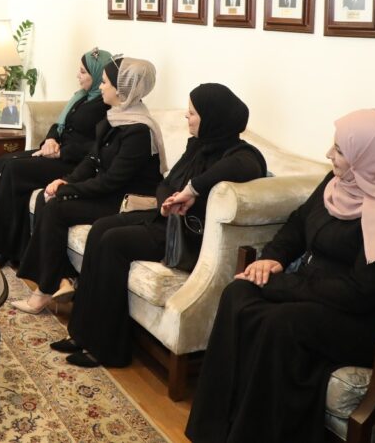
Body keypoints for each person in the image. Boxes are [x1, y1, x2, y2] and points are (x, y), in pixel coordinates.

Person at [185, 109, 375, 443]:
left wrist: (283, 285)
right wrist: (272, 258)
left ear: (368, 157)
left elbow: (359, 293)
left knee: (279, 323)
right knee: (238, 292)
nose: (329, 154)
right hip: (317, 293)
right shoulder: (339, 183)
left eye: (340, 150)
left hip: (365, 319)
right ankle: (213, 429)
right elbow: (299, 222)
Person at [50, 84, 267, 368]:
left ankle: (107, 349)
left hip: (186, 236)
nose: (186, 117)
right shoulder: (198, 145)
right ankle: (82, 334)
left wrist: (191, 190)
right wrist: (168, 202)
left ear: (213, 118)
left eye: (192, 113)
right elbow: (165, 183)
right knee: (101, 228)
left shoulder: (243, 155)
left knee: (114, 243)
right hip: (165, 219)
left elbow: (240, 169)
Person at [12, 57, 167, 314]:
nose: (101, 87)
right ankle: (60, 279)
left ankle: (45, 291)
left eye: (105, 83)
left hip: (126, 201)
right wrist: (66, 180)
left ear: (121, 90)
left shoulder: (139, 131)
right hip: (109, 192)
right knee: (47, 199)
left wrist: (67, 190)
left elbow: (112, 181)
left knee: (56, 207)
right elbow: (92, 160)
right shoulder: (115, 118)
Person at [0, 48, 114, 266]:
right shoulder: (82, 97)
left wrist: (61, 152)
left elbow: (97, 148)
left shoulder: (107, 106)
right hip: (57, 152)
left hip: (73, 163)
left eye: (83, 72)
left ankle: (5, 248)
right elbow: (60, 125)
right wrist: (51, 139)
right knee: (1, 162)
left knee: (13, 171)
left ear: (97, 74)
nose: (77, 76)